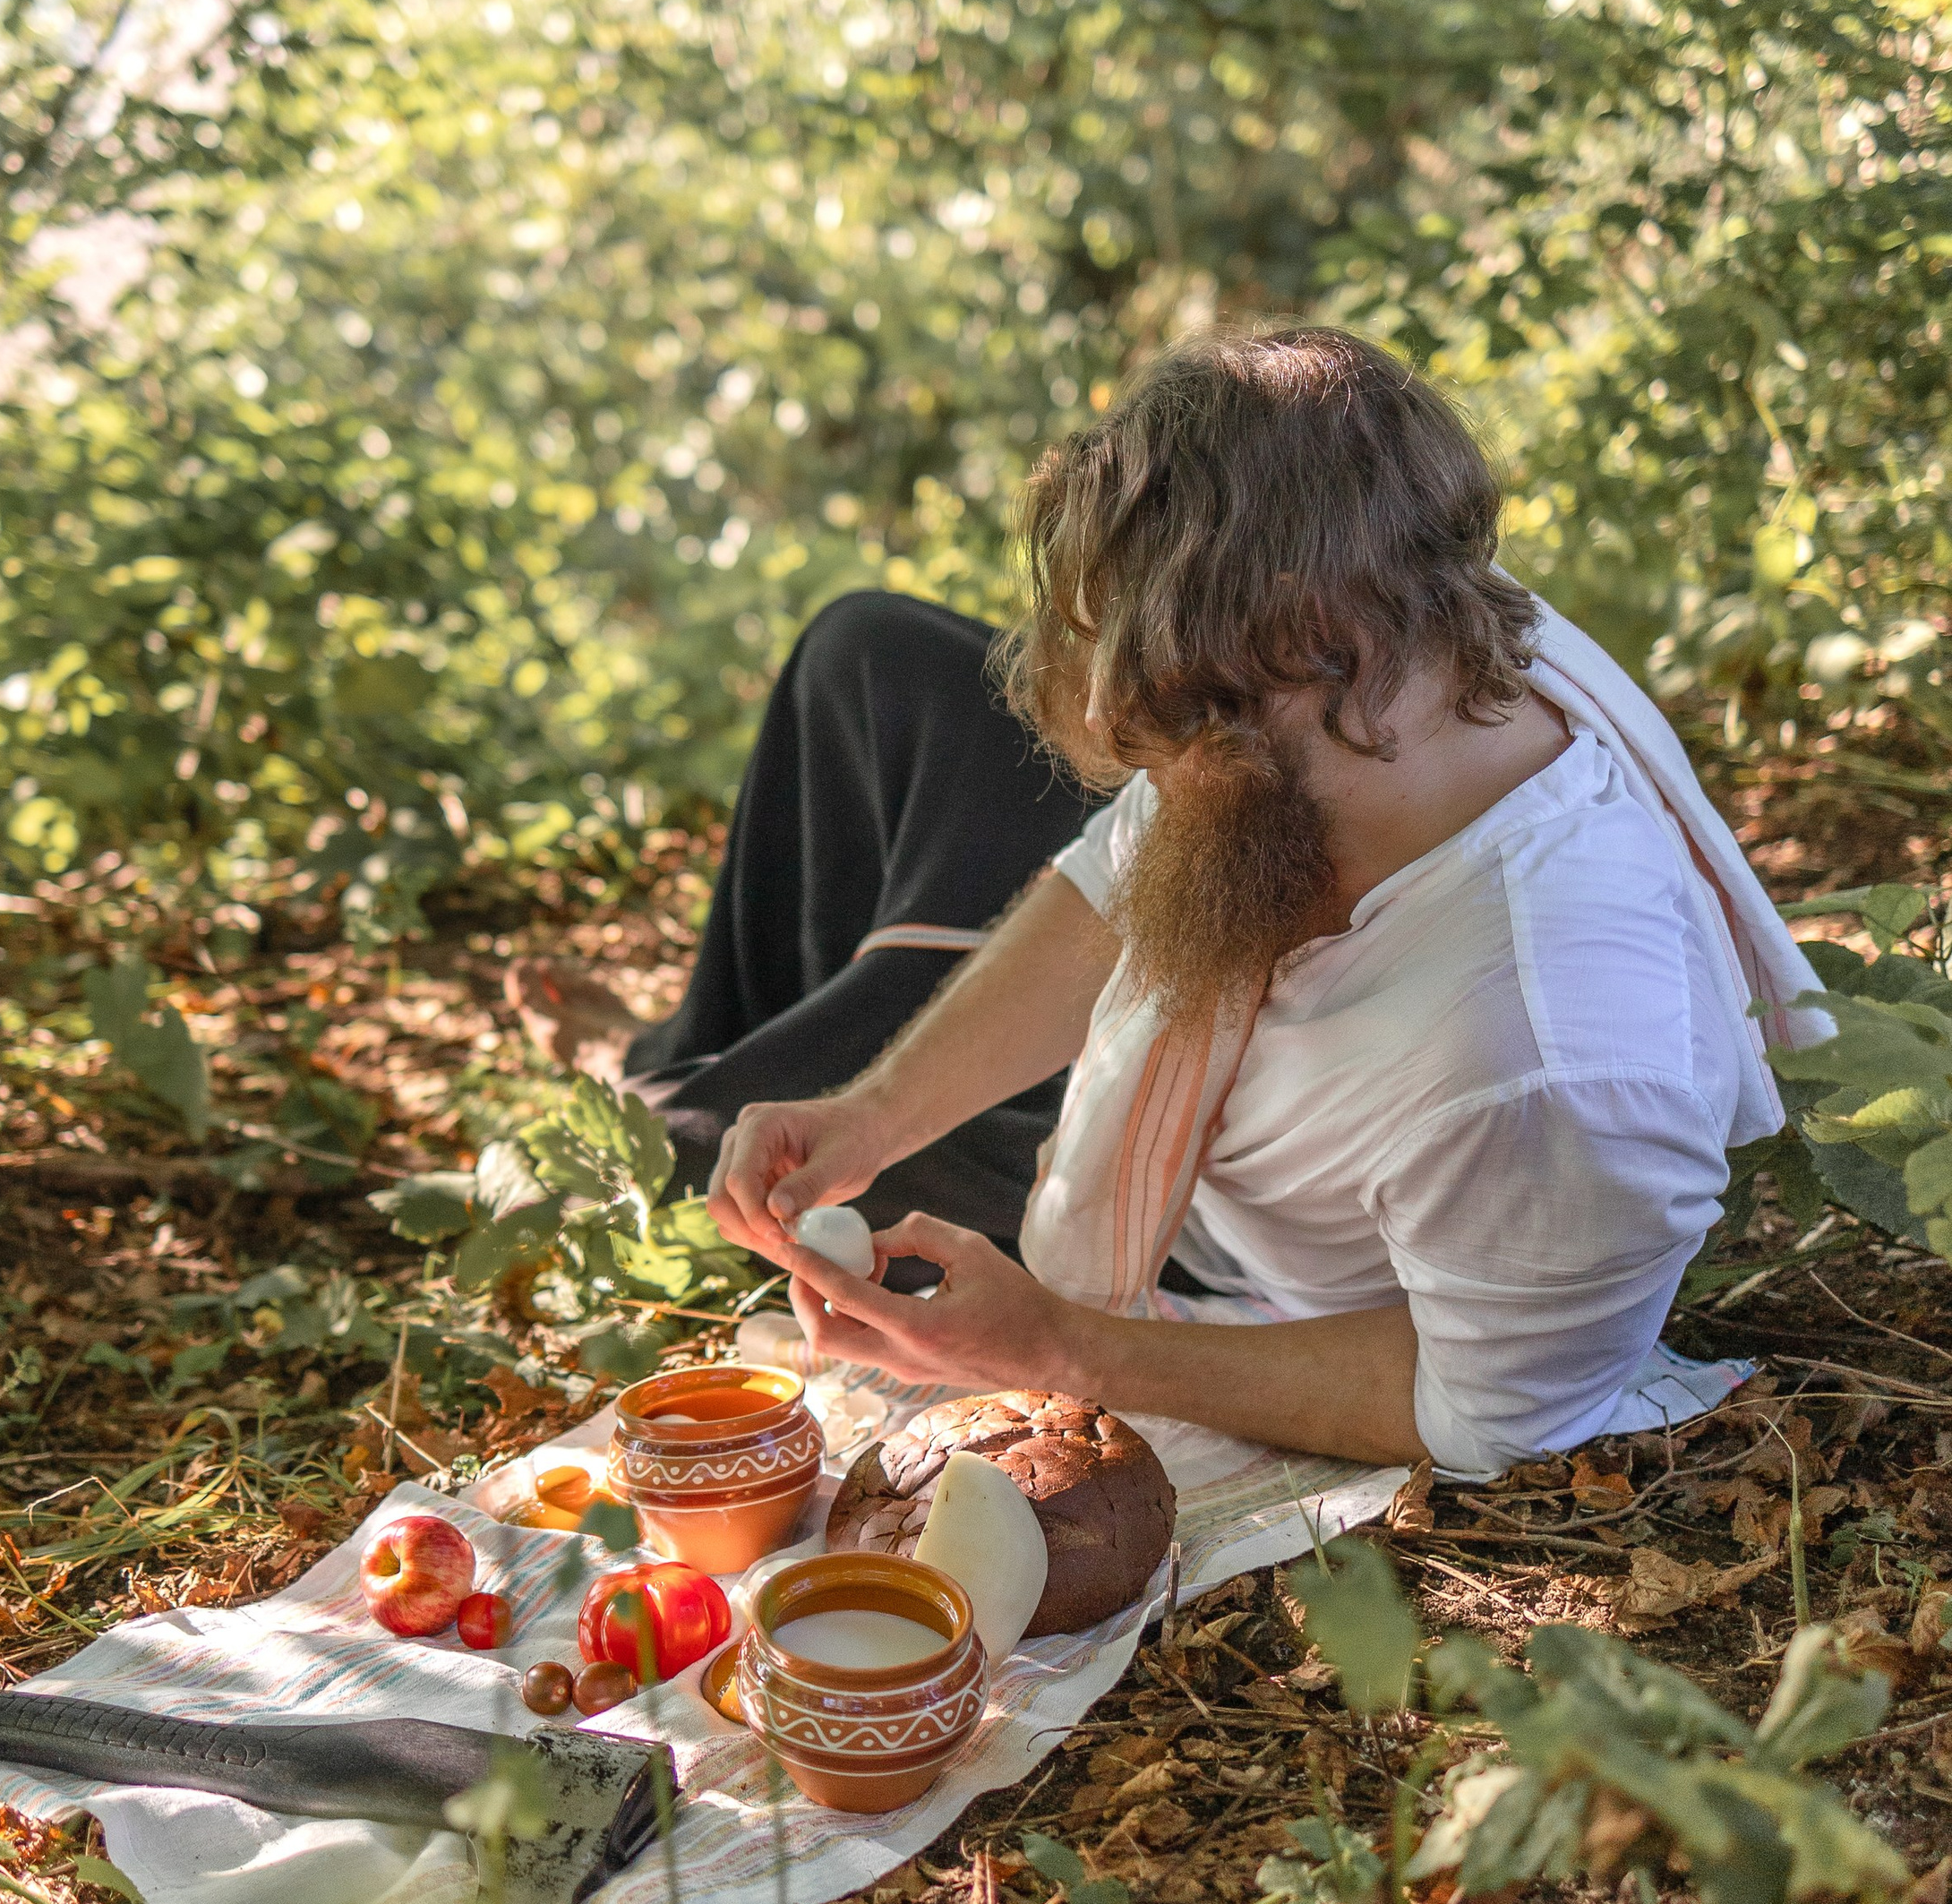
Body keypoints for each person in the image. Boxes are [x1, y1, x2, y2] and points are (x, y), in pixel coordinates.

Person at [635, 328, 1818, 1483]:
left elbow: (1484, 1404)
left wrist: (1054, 1340)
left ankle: (693, 1049)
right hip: (1183, 1047)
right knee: (870, 653)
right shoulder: (1406, 631)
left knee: (697, 1133)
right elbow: (1124, 865)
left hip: (1181, 1234)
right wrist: (877, 1111)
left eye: (1172, 748)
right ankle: (810, 1017)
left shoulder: (1553, 1064)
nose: (1149, 786)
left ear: (1310, 643)